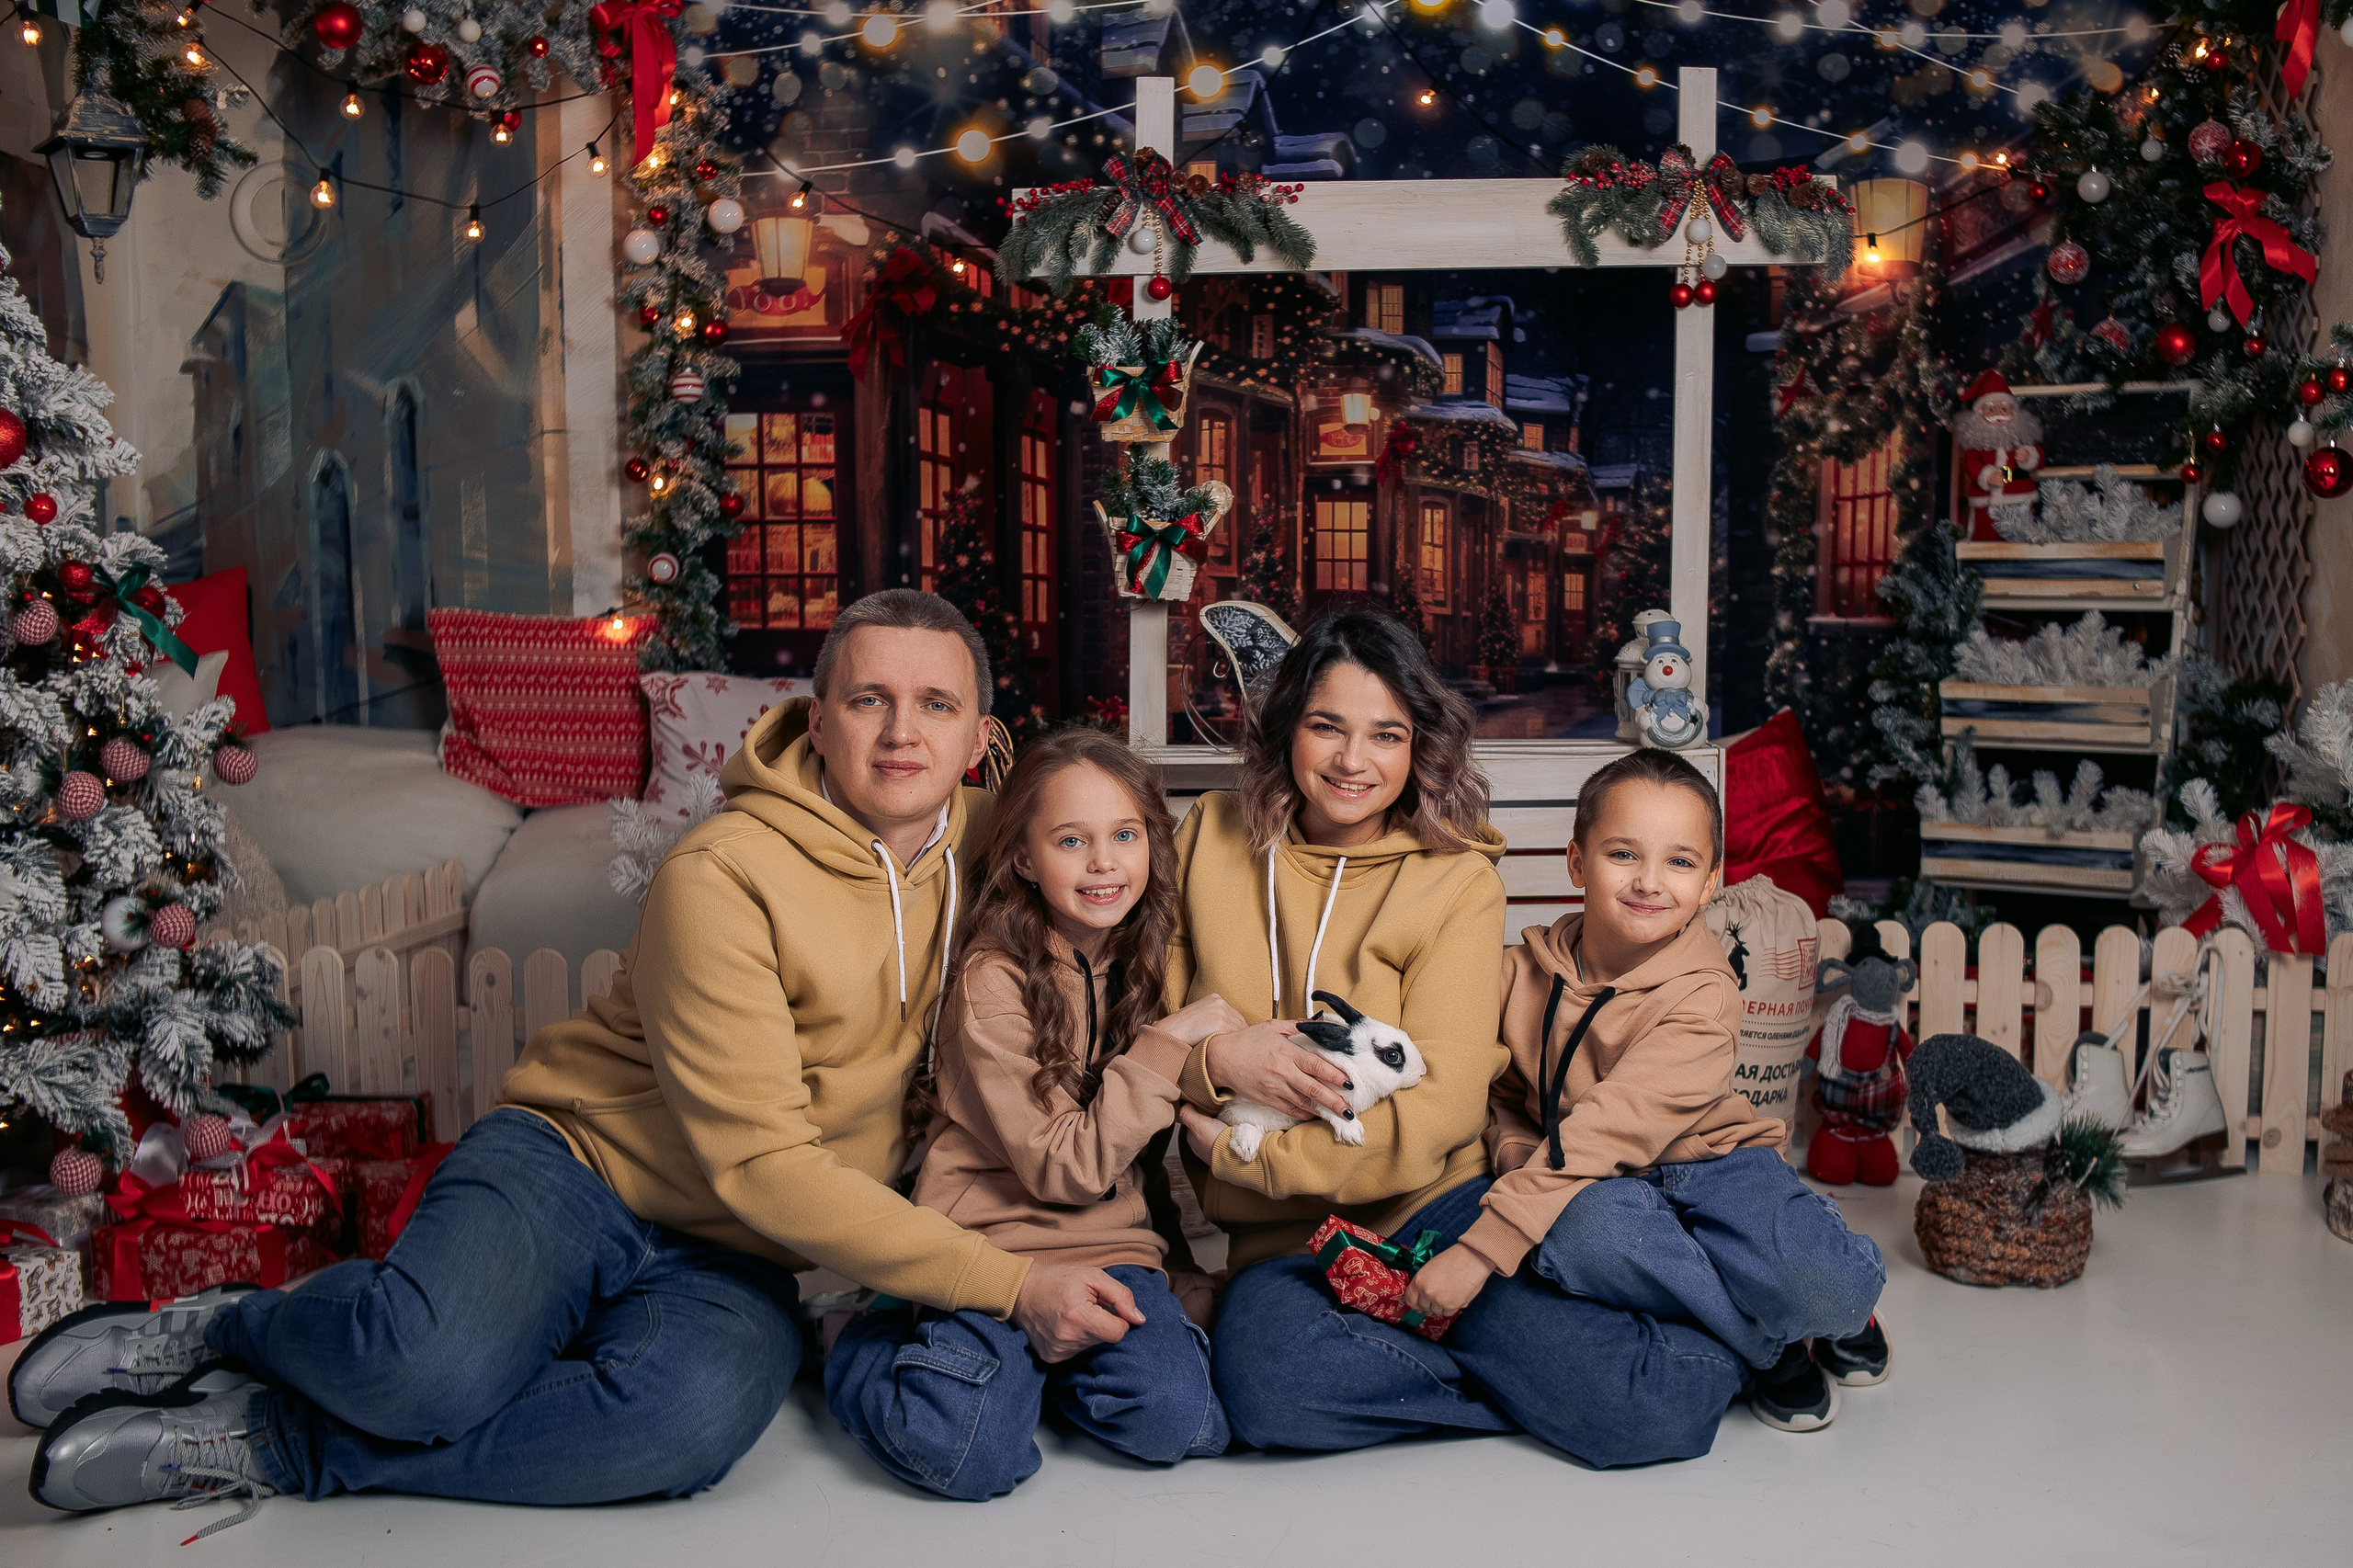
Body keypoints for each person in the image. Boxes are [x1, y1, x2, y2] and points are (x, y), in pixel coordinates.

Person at [20, 591, 1146, 1527]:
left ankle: (280, 1438)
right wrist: (1010, 1281)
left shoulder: (1003, 842)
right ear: (817, 717)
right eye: (870, 700)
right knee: (426, 1368)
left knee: (683, 1429)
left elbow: (1156, 857)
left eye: (936, 705)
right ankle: (223, 1324)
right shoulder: (725, 872)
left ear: (977, 737)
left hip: (745, 1256)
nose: (903, 732)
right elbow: (765, 1164)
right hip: (580, 1163)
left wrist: (1214, 1048)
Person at [1403, 747, 1889, 1444]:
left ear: (1712, 882)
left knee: (1822, 1286)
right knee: (1581, 1234)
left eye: (1681, 862)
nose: (1649, 883)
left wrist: (1481, 1251)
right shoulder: (1516, 974)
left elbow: (1614, 1122)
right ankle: (1773, 1345)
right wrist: (1511, 1144)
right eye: (1623, 854)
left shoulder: (1705, 992)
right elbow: (1476, 1080)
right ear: (1577, 863)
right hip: (1592, 1180)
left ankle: (1837, 1312)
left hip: (1710, 1163)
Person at [827, 727, 1240, 1498]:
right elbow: (1066, 1165)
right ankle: (864, 1335)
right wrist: (1165, 1044)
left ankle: (1032, 1375)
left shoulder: (1147, 961)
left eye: (1124, 834)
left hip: (1112, 1249)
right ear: (1023, 856)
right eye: (1070, 840)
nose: (1103, 862)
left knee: (1185, 1425)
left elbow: (1139, 1164)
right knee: (969, 1456)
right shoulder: (992, 980)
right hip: (990, 1251)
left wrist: (1177, 1266)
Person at [1162, 605, 1522, 1451]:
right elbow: (1153, 1035)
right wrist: (1216, 1062)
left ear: (1417, 747)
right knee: (1271, 1397)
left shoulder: (1458, 880)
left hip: (1434, 1209)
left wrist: (1255, 1158)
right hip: (1278, 1243)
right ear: (1288, 725)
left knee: (1643, 1406)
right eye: (1327, 726)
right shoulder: (1209, 837)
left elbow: (1444, 1109)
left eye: (1386, 735)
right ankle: (1503, 1391)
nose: (1354, 761)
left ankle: (1504, 1373)